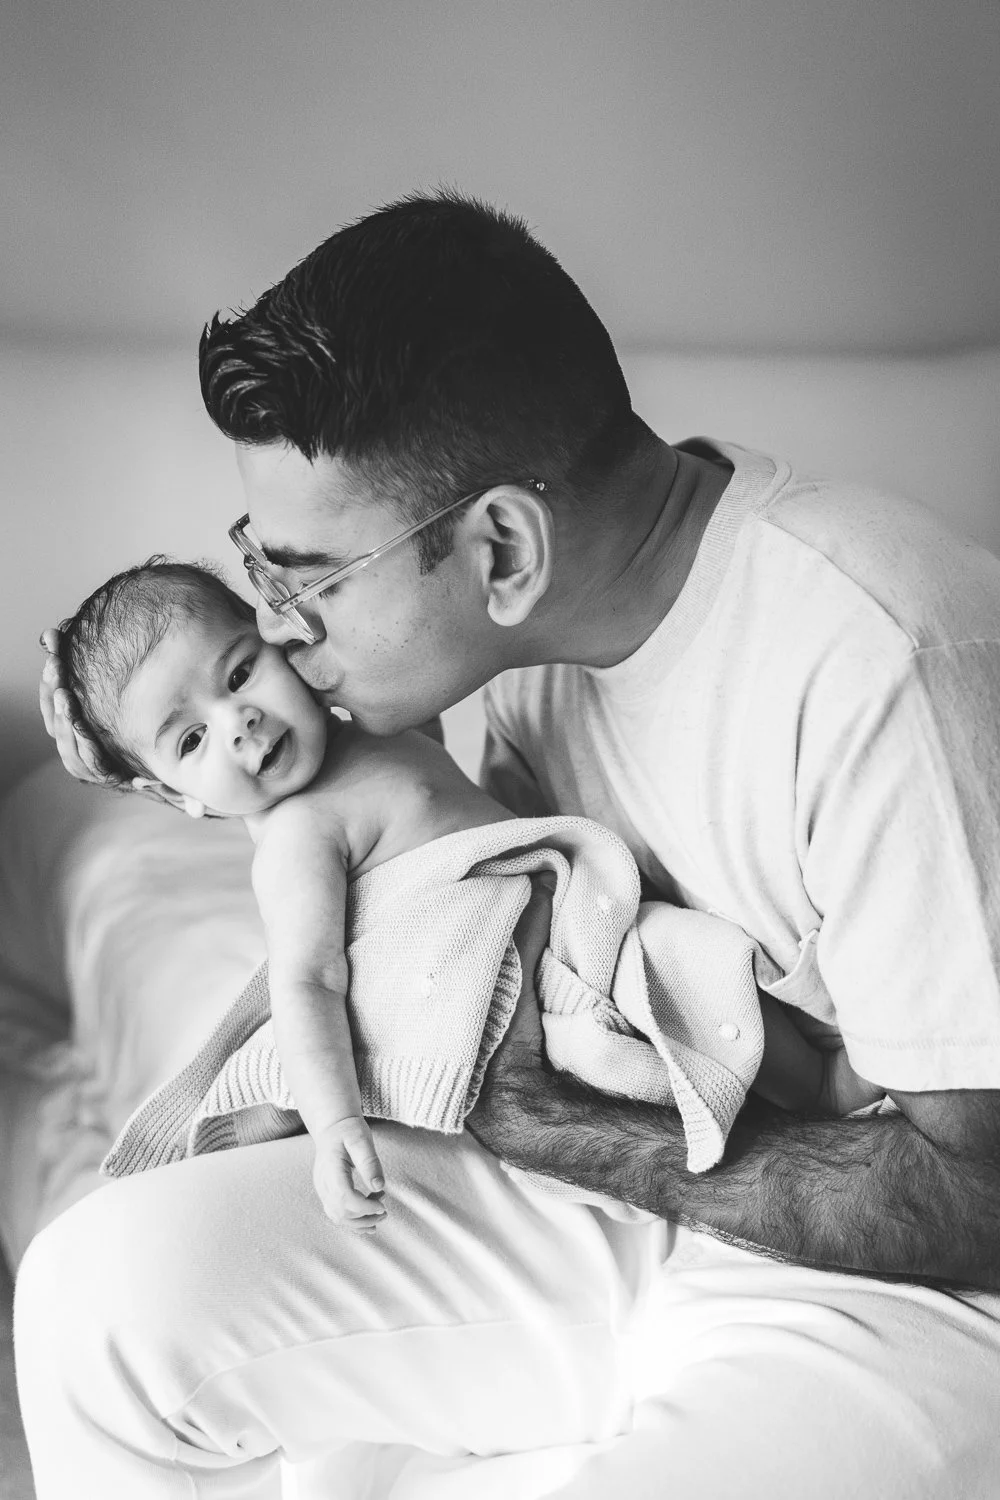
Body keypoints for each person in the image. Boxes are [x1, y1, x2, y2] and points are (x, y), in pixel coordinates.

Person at [21, 190, 1000, 1498]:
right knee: (96, 1297)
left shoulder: (886, 667)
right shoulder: (532, 646)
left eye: (304, 584)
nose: (284, 634)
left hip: (913, 1269)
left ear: (501, 548)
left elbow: (981, 1196)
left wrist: (559, 1130)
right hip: (638, 1173)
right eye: (259, 569)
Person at [59, 558, 872, 1230]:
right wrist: (336, 1122)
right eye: (191, 739)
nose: (237, 720)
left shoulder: (367, 721)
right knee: (672, 970)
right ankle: (814, 1093)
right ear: (174, 795)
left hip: (558, 914)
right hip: (514, 984)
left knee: (693, 955)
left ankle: (797, 1087)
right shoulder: (296, 838)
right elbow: (309, 980)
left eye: (240, 672)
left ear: (281, 638)